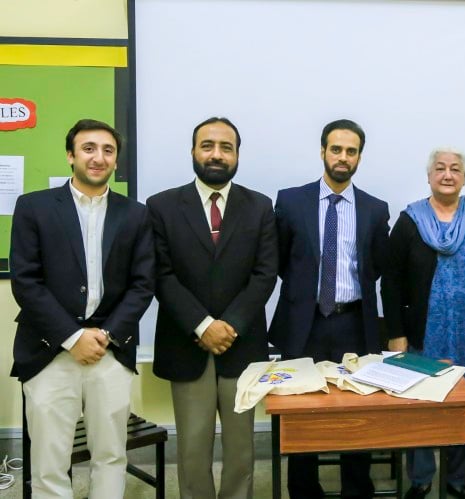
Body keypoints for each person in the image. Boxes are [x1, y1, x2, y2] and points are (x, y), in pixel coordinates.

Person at [10, 119, 155, 498]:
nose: (98, 157)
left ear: (116, 161)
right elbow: (26, 282)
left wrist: (105, 335)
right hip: (49, 350)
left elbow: (143, 284)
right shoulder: (34, 207)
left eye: (108, 150)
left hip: (110, 350)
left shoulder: (136, 214)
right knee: (49, 463)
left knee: (110, 456)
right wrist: (73, 337)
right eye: (88, 148)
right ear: (70, 155)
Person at [147, 117, 278, 499]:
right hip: (187, 345)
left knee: (241, 452)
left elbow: (265, 274)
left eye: (226, 147)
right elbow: (162, 275)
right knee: (191, 451)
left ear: (237, 155)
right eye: (207, 146)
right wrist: (203, 325)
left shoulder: (259, 206)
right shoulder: (162, 206)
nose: (216, 154)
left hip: (241, 345)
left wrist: (229, 324)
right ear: (193, 151)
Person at [269, 118, 389, 499]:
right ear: (322, 151)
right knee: (302, 417)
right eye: (336, 149)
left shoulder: (375, 209)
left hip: (354, 324)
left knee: (357, 417)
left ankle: (357, 490)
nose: (343, 157)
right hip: (304, 324)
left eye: (351, 151)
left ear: (359, 158)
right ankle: (305, 491)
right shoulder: (291, 201)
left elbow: (375, 267)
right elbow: (281, 261)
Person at [380, 148, 465, 499]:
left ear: (464, 177)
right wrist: (396, 333)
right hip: (421, 335)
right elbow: (390, 281)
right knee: (421, 407)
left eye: (455, 169)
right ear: (429, 176)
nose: (447, 175)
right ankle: (421, 480)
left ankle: (459, 480)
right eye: (440, 168)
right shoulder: (409, 221)